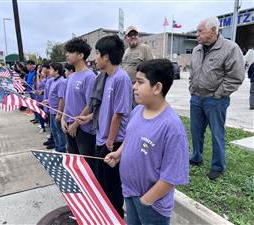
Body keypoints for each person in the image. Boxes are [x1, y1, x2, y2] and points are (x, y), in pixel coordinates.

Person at [104, 59, 189, 225]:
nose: (134, 86)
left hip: (152, 204)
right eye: (135, 81)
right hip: (129, 192)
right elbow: (130, 138)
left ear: (157, 88)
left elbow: (171, 177)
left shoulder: (172, 127)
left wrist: (146, 201)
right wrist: (119, 153)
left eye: (140, 82)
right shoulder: (137, 111)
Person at [77, 35, 132, 218]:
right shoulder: (106, 78)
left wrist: (109, 140)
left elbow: (119, 113)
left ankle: (116, 217)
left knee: (113, 187)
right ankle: (106, 216)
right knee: (102, 184)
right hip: (102, 139)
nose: (95, 58)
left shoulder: (121, 78)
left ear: (107, 57)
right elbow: (106, 109)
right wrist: (90, 118)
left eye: (98, 54)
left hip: (113, 142)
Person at [189, 17, 245, 180]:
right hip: (196, 98)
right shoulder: (197, 49)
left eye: (200, 31)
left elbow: (235, 76)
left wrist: (218, 94)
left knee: (217, 133)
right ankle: (196, 157)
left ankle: (218, 166)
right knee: (195, 131)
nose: (197, 34)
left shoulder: (230, 48)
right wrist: (192, 89)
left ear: (213, 30)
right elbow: (193, 72)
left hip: (216, 100)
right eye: (197, 31)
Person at [61, 38, 97, 172]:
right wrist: (64, 118)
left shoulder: (89, 77)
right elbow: (68, 101)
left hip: (83, 129)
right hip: (69, 126)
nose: (67, 54)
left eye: (70, 51)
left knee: (87, 165)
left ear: (81, 55)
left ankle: (91, 192)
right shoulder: (71, 76)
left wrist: (76, 124)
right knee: (74, 163)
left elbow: (90, 105)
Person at [45, 62, 67, 152]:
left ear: (56, 71)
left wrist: (59, 113)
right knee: (54, 131)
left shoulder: (61, 82)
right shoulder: (54, 80)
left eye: (51, 69)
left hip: (57, 112)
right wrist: (48, 101)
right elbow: (54, 96)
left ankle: (61, 150)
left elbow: (62, 99)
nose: (49, 71)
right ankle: (57, 148)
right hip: (52, 111)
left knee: (59, 133)